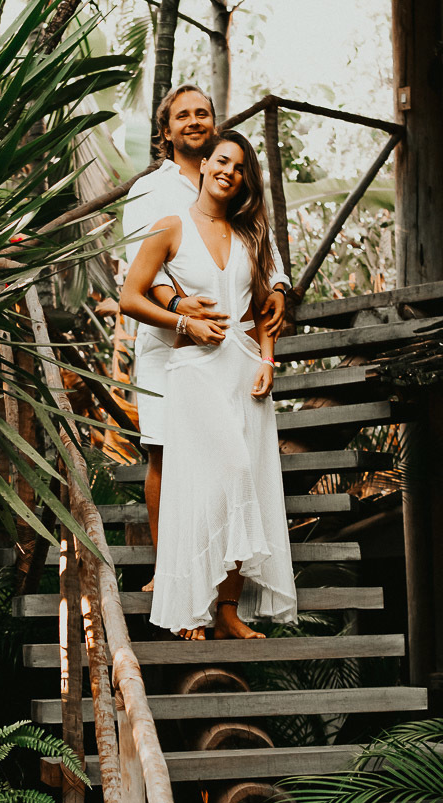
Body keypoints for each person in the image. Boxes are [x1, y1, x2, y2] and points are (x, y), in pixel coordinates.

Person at [120, 131, 297, 640]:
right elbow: (132, 296)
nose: (229, 171)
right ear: (203, 165)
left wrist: (268, 358)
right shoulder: (170, 226)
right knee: (213, 484)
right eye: (222, 161)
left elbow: (265, 306)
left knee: (247, 487)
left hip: (243, 368)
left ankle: (226, 610)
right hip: (194, 368)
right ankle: (190, 607)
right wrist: (183, 324)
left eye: (240, 167)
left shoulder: (251, 232)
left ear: (245, 179)